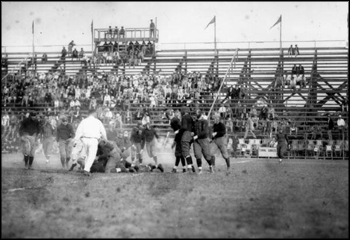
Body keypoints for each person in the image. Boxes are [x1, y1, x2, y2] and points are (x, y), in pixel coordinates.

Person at [73, 108, 107, 176]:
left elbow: (79, 132)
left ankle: (85, 168)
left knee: (87, 155)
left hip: (84, 139)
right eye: (96, 113)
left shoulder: (84, 121)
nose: (97, 114)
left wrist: (75, 141)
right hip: (93, 140)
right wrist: (105, 138)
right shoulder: (98, 121)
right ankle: (86, 170)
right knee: (91, 156)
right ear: (94, 113)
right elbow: (103, 131)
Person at [193, 109, 215, 174]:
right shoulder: (195, 122)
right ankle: (200, 170)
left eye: (196, 114)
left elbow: (205, 132)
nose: (195, 115)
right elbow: (193, 129)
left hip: (203, 140)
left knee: (207, 155)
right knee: (197, 155)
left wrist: (197, 136)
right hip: (196, 141)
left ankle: (211, 166)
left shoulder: (204, 122)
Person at [180, 106, 195, 172]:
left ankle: (189, 168)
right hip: (190, 135)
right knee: (188, 152)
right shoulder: (191, 117)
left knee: (186, 152)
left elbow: (184, 127)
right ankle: (192, 166)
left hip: (185, 135)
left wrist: (179, 130)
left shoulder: (184, 117)